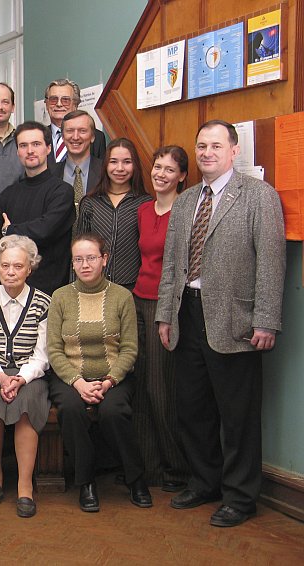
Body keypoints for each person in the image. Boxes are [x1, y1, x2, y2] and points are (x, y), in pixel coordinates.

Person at [156, 120, 286, 528]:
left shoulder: (258, 197)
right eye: (201, 146)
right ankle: (204, 481)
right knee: (193, 409)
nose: (207, 152)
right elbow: (172, 264)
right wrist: (165, 313)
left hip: (236, 318)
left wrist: (265, 319)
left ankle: (240, 496)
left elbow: (271, 262)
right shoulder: (185, 200)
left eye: (216, 146)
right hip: (187, 314)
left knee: (238, 414)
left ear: (234, 151)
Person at [47, 233, 152, 512]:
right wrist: (78, 383)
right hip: (71, 378)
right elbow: (54, 350)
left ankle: (135, 478)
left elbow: (130, 349)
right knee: (71, 409)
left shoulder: (122, 296)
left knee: (113, 412)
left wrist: (108, 382)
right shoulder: (60, 297)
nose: (85, 264)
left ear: (104, 260)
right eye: (78, 259)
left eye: (91, 258)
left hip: (113, 378)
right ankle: (86, 482)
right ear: (72, 263)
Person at [0, 235, 51, 518]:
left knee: (27, 405)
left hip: (30, 374)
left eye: (18, 266)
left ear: (30, 268)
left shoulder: (44, 303)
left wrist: (21, 378)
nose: (11, 272)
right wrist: (1, 377)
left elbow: (43, 354)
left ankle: (24, 486)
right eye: (5, 266)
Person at [132, 145, 189, 491]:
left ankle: (176, 469)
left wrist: (167, 312)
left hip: (164, 305)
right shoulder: (142, 209)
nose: (161, 174)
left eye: (170, 169)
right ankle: (148, 467)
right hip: (137, 299)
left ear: (182, 176)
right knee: (138, 386)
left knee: (161, 388)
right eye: (157, 167)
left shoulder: (186, 210)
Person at [0, 121, 75, 296]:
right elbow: (0, 245)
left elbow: (45, 230)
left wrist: (10, 230)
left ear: (48, 148)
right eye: (23, 145)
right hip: (12, 290)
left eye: (36, 144)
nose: (30, 150)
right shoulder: (7, 196)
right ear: (17, 152)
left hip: (51, 291)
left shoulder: (62, 192)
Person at [77, 138, 152, 290]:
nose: (120, 168)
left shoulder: (146, 203)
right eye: (113, 162)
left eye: (126, 162)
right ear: (105, 165)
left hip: (132, 288)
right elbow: (79, 249)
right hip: (94, 286)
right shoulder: (90, 202)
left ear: (135, 165)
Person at [43, 79, 105, 165]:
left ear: (75, 105)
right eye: (53, 100)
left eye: (65, 100)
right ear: (46, 104)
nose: (59, 104)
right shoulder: (38, 137)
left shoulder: (97, 137)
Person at [50, 110, 102, 207]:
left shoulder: (105, 171)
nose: (75, 137)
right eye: (70, 131)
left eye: (82, 131)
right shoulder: (50, 174)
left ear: (92, 137)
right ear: (63, 137)